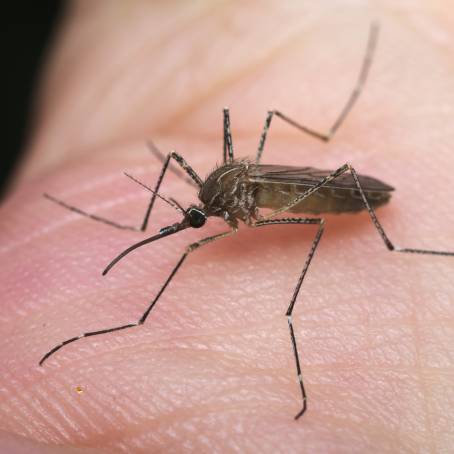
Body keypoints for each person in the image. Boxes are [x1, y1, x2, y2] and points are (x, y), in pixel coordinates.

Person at [1, 2, 453, 452]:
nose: (187, 223)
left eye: (191, 219)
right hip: (260, 190)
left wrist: (289, 314)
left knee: (314, 205)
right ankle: (133, 251)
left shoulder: (224, 209)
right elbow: (185, 185)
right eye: (190, 217)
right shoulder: (205, 199)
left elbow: (278, 213)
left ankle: (393, 248)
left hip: (340, 193)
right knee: (189, 208)